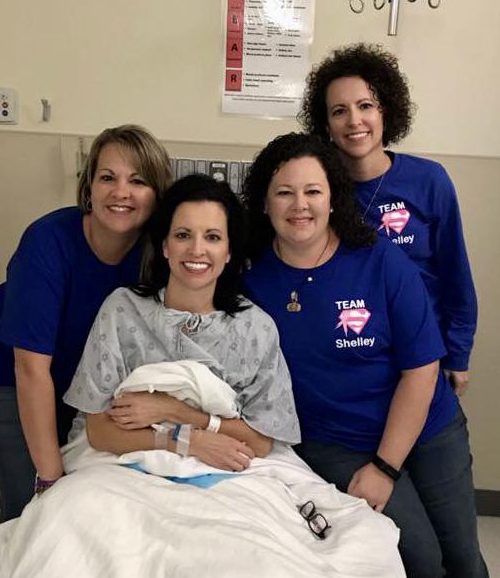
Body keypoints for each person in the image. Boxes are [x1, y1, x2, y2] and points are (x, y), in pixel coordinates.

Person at [242, 132, 488, 578]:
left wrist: (385, 466)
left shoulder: (381, 260)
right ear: (264, 202)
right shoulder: (252, 282)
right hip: (338, 441)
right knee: (420, 559)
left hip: (427, 425)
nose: (300, 205)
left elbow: (421, 369)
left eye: (313, 191)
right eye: (284, 192)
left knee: (463, 559)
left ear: (333, 199)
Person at [0, 124, 172, 521]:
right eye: (107, 177)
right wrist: (48, 480)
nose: (121, 192)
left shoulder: (153, 252)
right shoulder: (48, 243)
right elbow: (29, 371)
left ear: (157, 194)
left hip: (67, 381)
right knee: (30, 500)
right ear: (89, 186)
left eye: (138, 181)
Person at [63, 173, 300, 468]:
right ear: (165, 246)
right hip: (127, 467)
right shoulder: (122, 310)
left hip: (227, 472)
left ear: (229, 251)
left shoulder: (255, 328)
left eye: (212, 237)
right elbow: (99, 431)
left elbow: (261, 441)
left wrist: (175, 411)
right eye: (183, 235)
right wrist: (186, 442)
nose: (197, 250)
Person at [299, 42, 477, 398]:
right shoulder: (318, 191)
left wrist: (458, 354)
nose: (354, 121)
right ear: (326, 124)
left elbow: (455, 275)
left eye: (366, 106)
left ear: (386, 112)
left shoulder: (429, 180)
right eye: (339, 111)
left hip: (424, 356)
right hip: (351, 359)